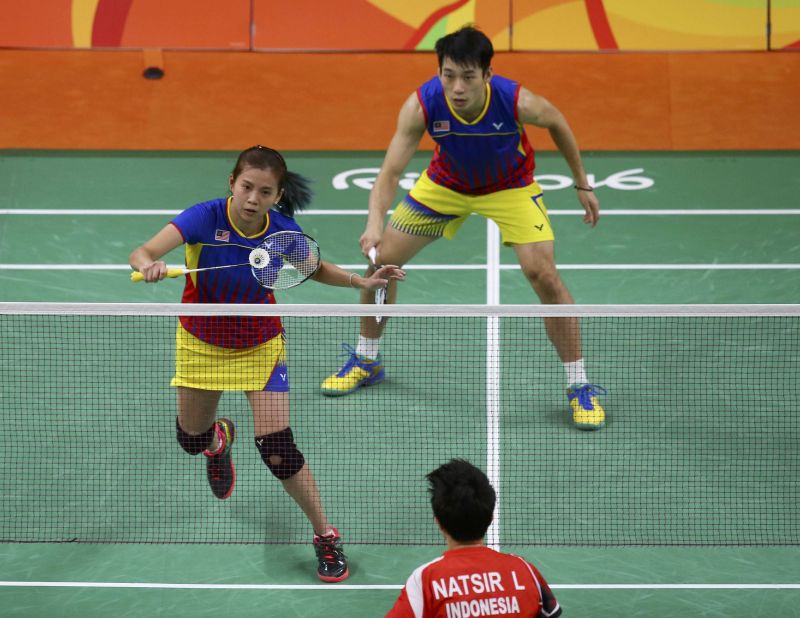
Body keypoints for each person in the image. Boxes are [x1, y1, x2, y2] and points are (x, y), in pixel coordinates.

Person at [128, 145, 405, 582]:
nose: (253, 198)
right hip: (201, 342)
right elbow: (142, 250)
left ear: (277, 195)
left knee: (277, 448)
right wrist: (150, 265)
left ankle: (325, 535)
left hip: (260, 344)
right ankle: (218, 440)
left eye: (265, 191)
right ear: (232, 184)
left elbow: (312, 267)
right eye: (246, 188)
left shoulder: (281, 230)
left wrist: (360, 281)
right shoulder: (204, 217)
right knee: (190, 440)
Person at [320, 26, 606, 430]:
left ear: (487, 76)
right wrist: (374, 222)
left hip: (511, 187)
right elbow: (390, 171)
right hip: (446, 187)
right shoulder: (421, 105)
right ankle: (368, 359)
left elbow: (557, 122)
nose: (457, 87)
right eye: (449, 74)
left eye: (468, 77)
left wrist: (582, 183)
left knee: (541, 273)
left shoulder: (515, 100)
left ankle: (579, 384)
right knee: (381, 263)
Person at [386, 459, 561, 617]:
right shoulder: (524, 570)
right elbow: (550, 612)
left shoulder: (426, 580)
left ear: (438, 522)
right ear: (491, 518)